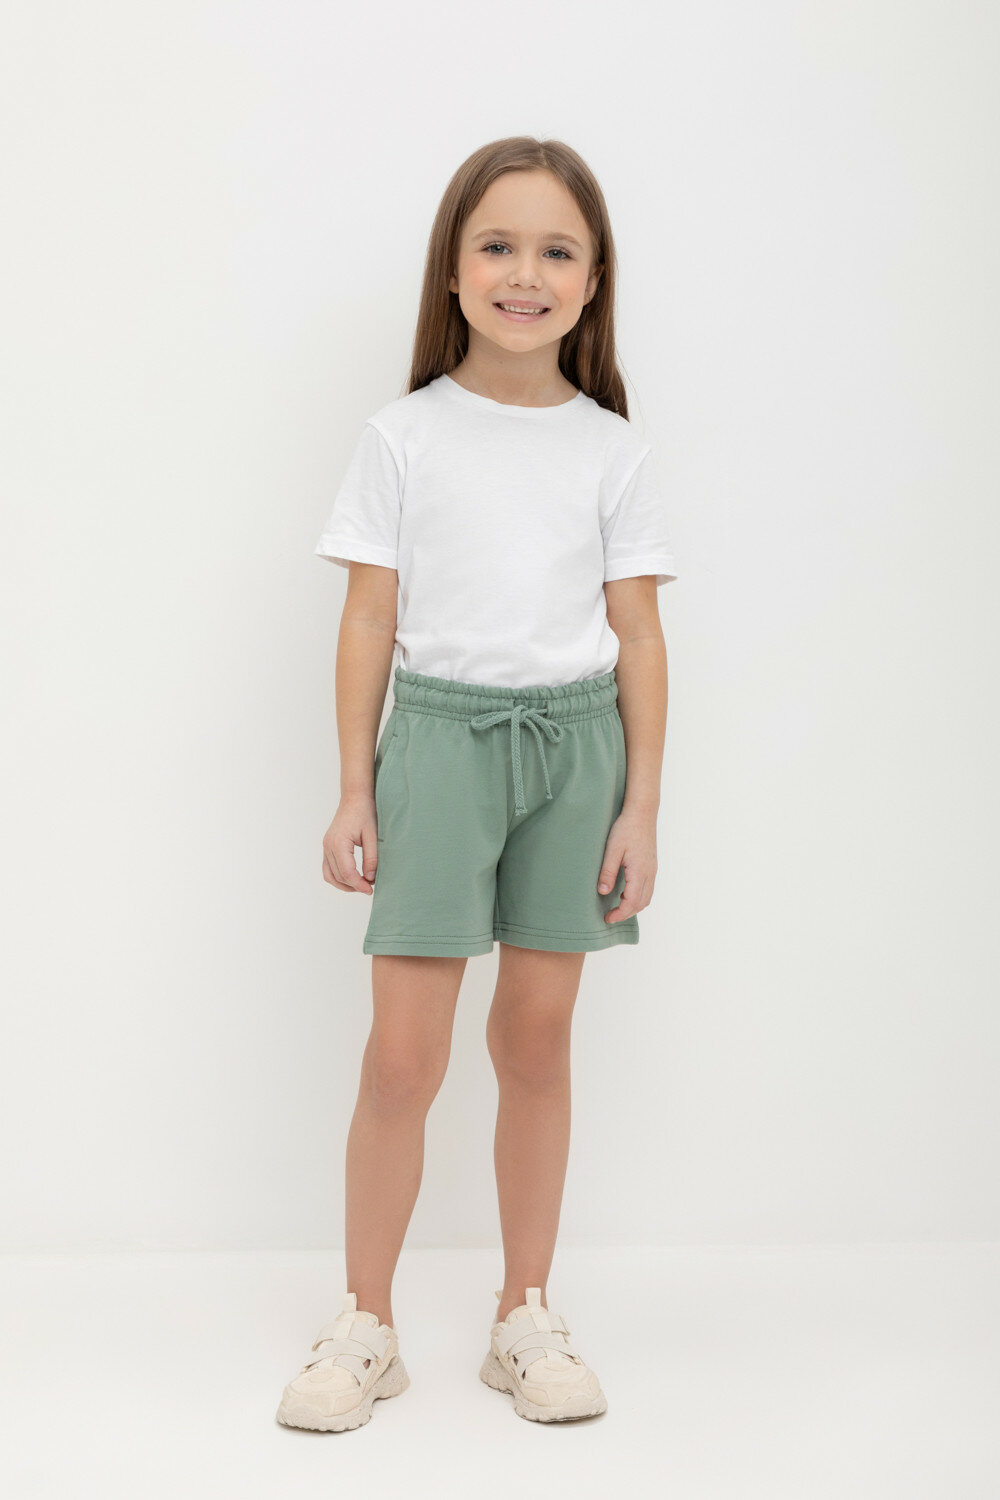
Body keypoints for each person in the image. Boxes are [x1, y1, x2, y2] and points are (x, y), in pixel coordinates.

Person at [276, 136, 678, 1433]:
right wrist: (355, 788)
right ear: (452, 270)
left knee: (537, 1041)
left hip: (577, 754)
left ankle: (525, 1314)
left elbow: (640, 635)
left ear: (593, 280)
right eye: (497, 245)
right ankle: (366, 1325)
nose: (525, 273)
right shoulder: (403, 437)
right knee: (404, 1056)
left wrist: (640, 805)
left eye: (557, 250)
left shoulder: (611, 449)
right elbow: (368, 619)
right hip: (439, 748)